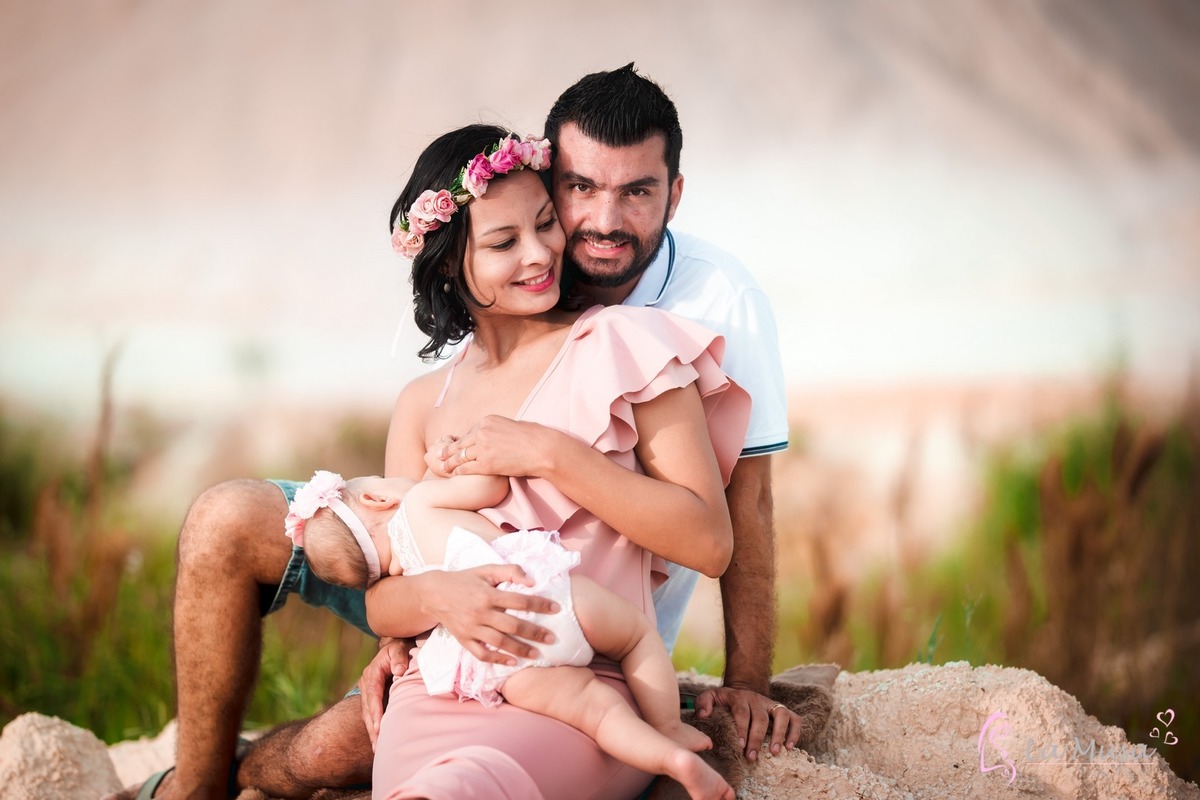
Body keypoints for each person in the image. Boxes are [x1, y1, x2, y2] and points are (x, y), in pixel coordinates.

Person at [106, 65, 794, 800]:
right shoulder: (424, 402)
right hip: (452, 659)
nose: (549, 249)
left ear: (672, 194)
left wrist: (546, 454)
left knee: (399, 763)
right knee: (247, 570)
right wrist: (421, 614)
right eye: (510, 237)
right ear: (450, 267)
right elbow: (399, 575)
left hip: (577, 657)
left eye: (545, 226)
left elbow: (727, 523)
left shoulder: (646, 334)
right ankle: (199, 786)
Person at [288, 468, 729, 799]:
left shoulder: (399, 573)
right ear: (377, 497)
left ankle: (671, 761)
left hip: (494, 653)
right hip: (537, 595)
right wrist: (447, 466)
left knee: (597, 714)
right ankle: (668, 727)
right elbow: (490, 486)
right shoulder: (420, 502)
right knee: (636, 636)